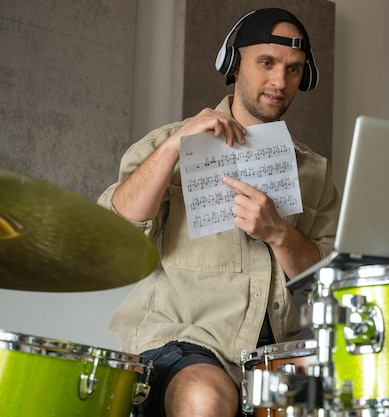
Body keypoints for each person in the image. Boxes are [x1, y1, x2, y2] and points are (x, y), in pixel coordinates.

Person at [98, 8, 340, 417]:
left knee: (355, 385)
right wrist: (175, 147)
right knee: (207, 396)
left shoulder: (315, 172)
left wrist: (279, 233)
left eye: (294, 70)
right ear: (233, 64)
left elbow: (327, 280)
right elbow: (113, 233)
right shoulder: (166, 145)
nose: (280, 82)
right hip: (182, 343)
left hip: (271, 355)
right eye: (267, 63)